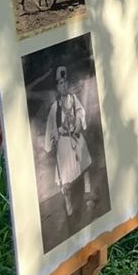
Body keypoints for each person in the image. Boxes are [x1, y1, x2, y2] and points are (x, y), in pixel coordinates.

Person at [43, 64, 93, 218]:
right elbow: (50, 126)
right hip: (64, 143)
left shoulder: (73, 99)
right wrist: (49, 144)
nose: (63, 86)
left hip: (77, 138)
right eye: (60, 84)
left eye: (65, 83)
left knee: (85, 166)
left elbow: (80, 111)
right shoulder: (55, 107)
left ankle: (88, 196)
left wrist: (78, 122)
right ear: (57, 87)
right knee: (65, 178)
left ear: (68, 84)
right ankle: (69, 206)